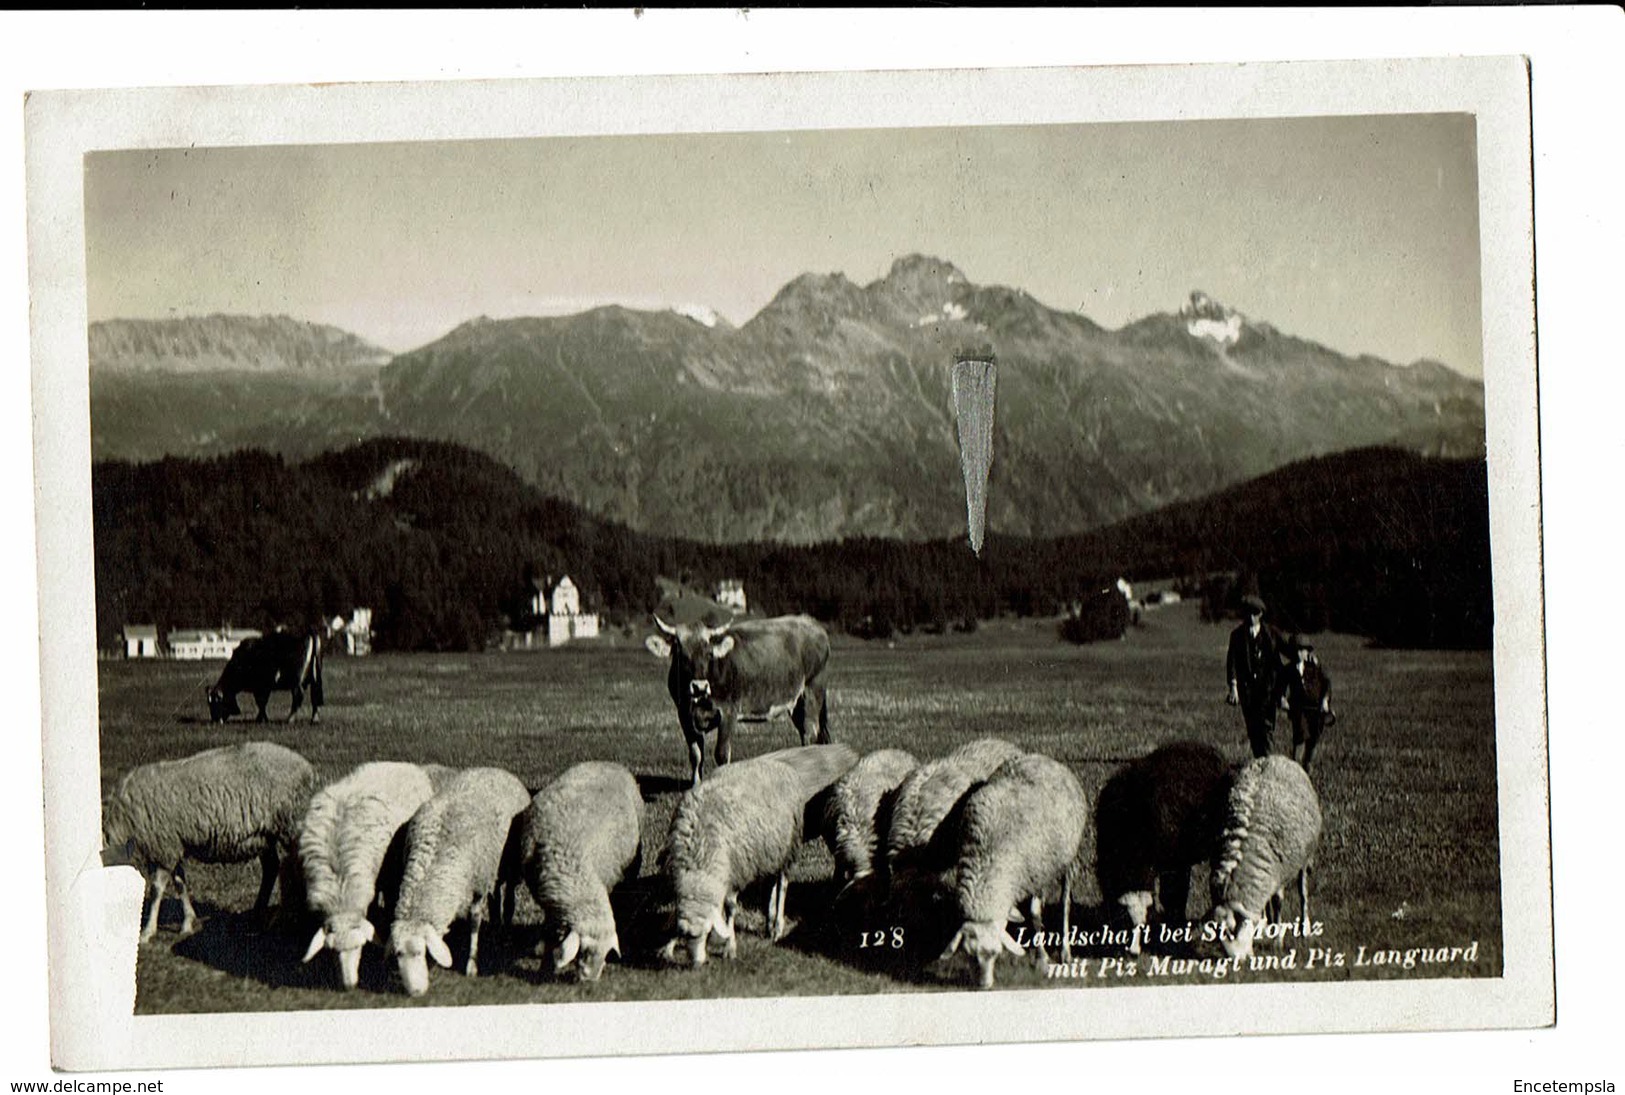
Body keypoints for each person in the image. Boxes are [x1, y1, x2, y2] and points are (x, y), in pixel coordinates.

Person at [1225, 595, 1283, 758]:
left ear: (1261, 614)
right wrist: (1233, 688)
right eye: (1248, 613)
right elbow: (1232, 663)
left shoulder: (1271, 634)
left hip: (1268, 689)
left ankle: (1268, 761)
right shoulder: (1236, 636)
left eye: (1255, 613)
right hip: (1248, 692)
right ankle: (1260, 759)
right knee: (1253, 729)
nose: (1251, 617)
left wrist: (1306, 654)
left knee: (1266, 728)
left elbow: (1289, 649)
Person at [1275, 634, 1334, 772]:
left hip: (1317, 708)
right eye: (1296, 650)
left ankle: (1308, 764)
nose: (1299, 653)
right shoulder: (1288, 670)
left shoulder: (1315, 666)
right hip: (1298, 708)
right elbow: (1280, 688)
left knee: (1314, 737)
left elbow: (1327, 683)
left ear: (1308, 651)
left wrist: (1325, 700)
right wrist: (1282, 699)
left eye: (1302, 650)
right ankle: (1295, 767)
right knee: (1300, 735)